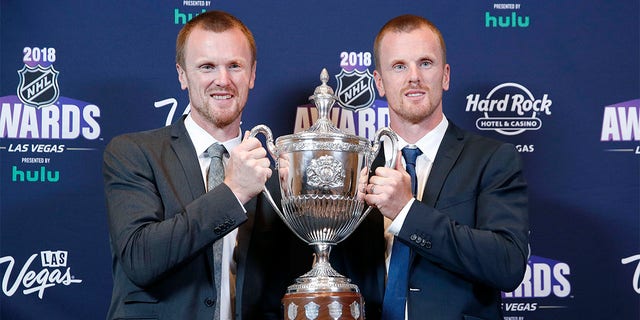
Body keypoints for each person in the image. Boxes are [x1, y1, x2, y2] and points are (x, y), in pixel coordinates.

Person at [103, 10, 307, 320]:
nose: (222, 80)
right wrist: (233, 191)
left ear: (252, 74)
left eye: (234, 66)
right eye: (207, 67)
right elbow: (140, 259)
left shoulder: (273, 172)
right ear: (183, 75)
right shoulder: (133, 153)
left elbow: (282, 289)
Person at [355, 14, 530, 319]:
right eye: (399, 66)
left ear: (445, 76)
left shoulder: (492, 159)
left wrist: (406, 211)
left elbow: (508, 264)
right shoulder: (357, 167)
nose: (413, 77)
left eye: (425, 63)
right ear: (379, 83)